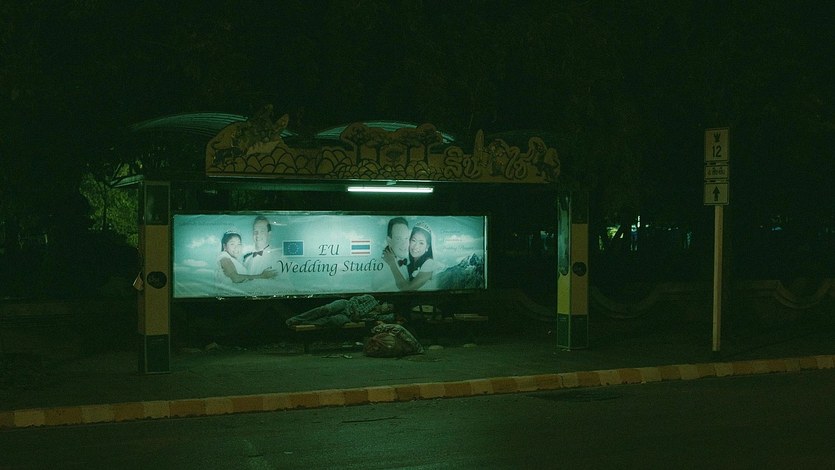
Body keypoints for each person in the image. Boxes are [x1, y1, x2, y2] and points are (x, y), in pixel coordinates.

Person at [382, 221, 444, 291]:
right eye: (414, 240)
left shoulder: (429, 263)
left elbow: (406, 289)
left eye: (421, 243)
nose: (415, 246)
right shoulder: (410, 264)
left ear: (427, 247)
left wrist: (392, 263)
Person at [285, 294, 394, 328]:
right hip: (345, 305)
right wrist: (355, 311)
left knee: (331, 321)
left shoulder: (376, 316)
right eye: (388, 306)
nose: (387, 309)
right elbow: (354, 299)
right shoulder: (371, 299)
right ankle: (296, 319)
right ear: (384, 302)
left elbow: (390, 318)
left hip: (348, 317)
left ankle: (303, 323)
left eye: (389, 309)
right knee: (325, 309)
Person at [374, 217, 410, 292]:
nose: (404, 244)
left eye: (406, 238)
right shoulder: (383, 267)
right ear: (389, 241)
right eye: (398, 239)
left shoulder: (408, 260)